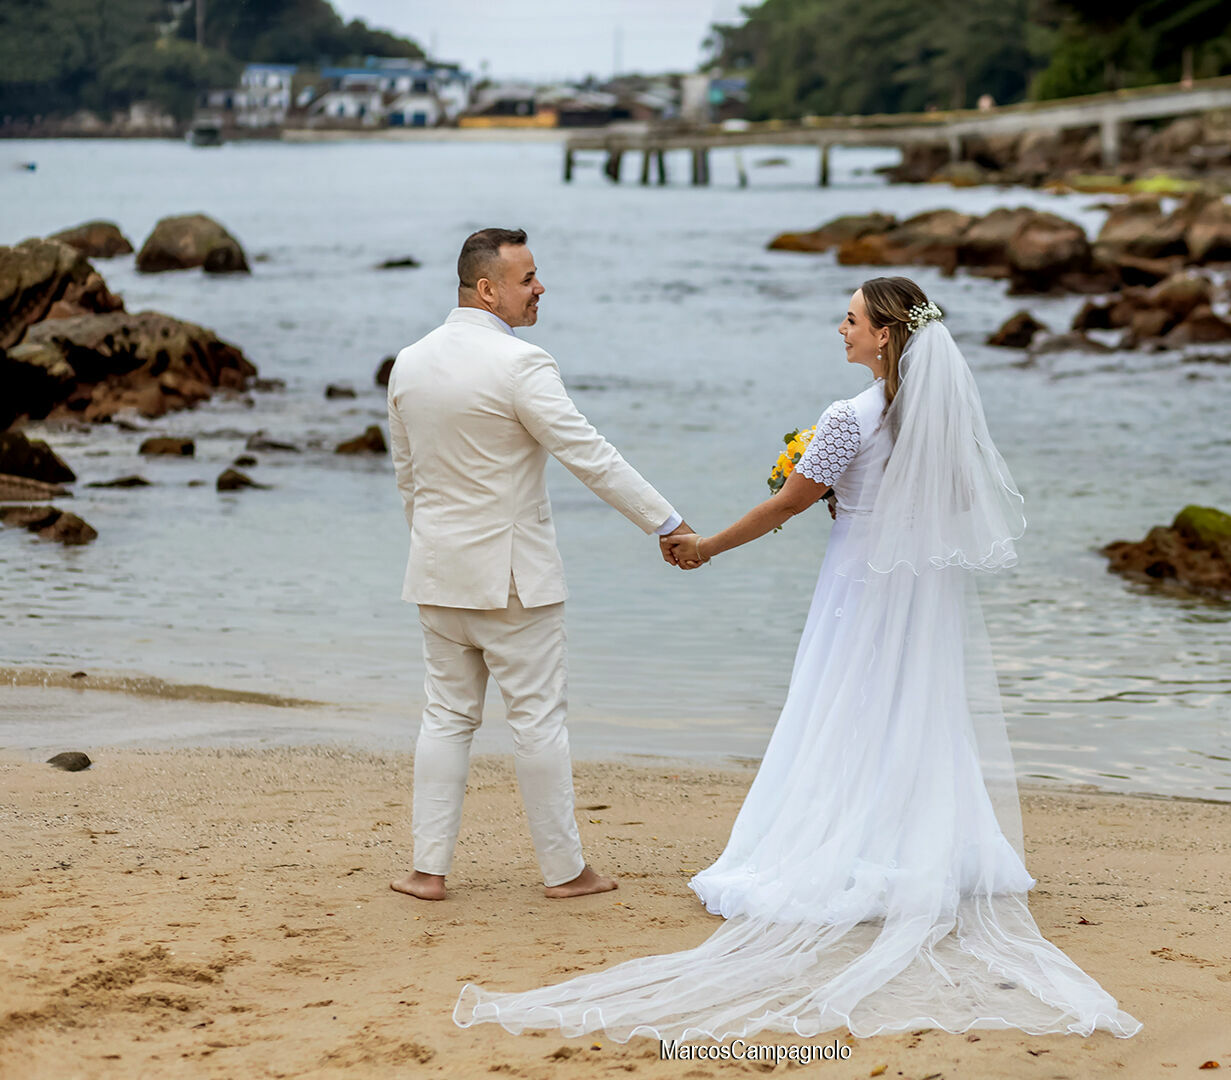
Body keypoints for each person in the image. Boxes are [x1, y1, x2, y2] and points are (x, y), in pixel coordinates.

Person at [453, 276, 1141, 1040]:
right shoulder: (931, 417)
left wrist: (706, 545)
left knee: (841, 705)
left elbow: (789, 503)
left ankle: (845, 849)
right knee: (909, 707)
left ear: (884, 334)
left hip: (858, 583)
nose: (837, 328)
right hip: (913, 588)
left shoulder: (848, 417)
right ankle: (912, 845)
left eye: (848, 319)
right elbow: (943, 505)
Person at [386, 227, 696, 903]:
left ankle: (426, 871)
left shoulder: (408, 363)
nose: (540, 288)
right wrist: (667, 523)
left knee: (444, 717)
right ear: (487, 288)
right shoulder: (519, 365)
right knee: (537, 722)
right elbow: (591, 455)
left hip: (438, 572)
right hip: (513, 583)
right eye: (527, 279)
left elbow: (408, 477)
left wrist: (436, 546)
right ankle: (564, 871)